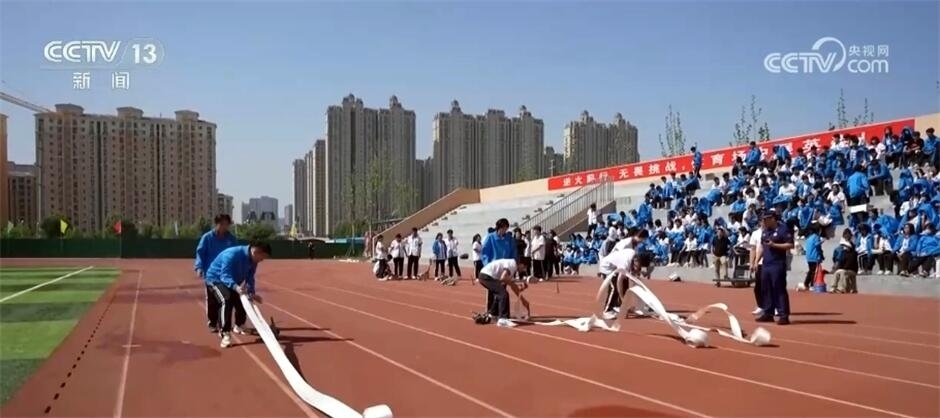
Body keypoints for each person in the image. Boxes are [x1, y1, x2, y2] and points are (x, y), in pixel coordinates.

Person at [205, 242, 271, 348]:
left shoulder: (253, 260)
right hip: (216, 279)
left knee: (245, 298)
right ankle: (225, 332)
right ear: (255, 252)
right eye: (262, 258)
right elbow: (225, 275)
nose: (262, 260)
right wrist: (236, 287)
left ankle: (239, 325)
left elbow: (250, 277)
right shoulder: (231, 254)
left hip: (232, 281)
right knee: (226, 299)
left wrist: (251, 293)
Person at [194, 214, 238, 333]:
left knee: (226, 299)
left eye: (227, 224)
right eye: (222, 224)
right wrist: (199, 267)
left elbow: (235, 255)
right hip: (211, 274)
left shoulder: (231, 239)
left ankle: (223, 322)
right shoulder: (207, 238)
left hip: (226, 274)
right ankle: (212, 322)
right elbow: (200, 253)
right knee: (212, 300)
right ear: (216, 224)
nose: (225, 227)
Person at [752, 210, 792, 325]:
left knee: (779, 289)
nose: (764, 222)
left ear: (773, 219)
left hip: (777, 264)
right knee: (766, 289)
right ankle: (768, 312)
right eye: (763, 220)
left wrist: (774, 245)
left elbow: (790, 244)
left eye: (766, 219)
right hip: (766, 264)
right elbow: (762, 247)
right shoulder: (765, 231)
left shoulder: (783, 229)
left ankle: (783, 315)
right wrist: (756, 261)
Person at [477, 257, 530, 328]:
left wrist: (523, 300)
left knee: (500, 293)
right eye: (524, 267)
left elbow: (513, 287)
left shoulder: (512, 268)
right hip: (486, 276)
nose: (523, 270)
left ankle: (493, 315)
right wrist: (513, 284)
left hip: (487, 276)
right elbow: (503, 278)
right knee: (503, 294)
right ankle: (503, 319)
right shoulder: (512, 265)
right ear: (521, 264)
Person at [481, 218, 517, 316]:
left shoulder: (509, 239)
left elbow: (513, 252)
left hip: (504, 269)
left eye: (506, 229)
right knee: (492, 292)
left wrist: (511, 266)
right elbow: (485, 253)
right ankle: (490, 312)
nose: (505, 231)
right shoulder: (490, 238)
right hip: (493, 270)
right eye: (503, 229)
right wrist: (487, 264)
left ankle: (498, 312)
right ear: (498, 228)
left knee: (502, 291)